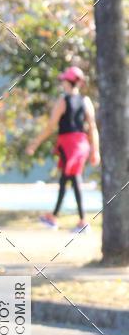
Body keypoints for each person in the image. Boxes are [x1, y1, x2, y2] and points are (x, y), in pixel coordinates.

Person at [26, 65, 100, 233]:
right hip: (82, 145)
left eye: (64, 81)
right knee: (67, 180)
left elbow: (51, 126)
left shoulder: (63, 101)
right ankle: (56, 217)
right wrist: (95, 150)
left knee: (73, 180)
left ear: (68, 82)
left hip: (68, 145)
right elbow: (93, 127)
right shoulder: (86, 101)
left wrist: (35, 143)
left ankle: (80, 221)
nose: (63, 84)